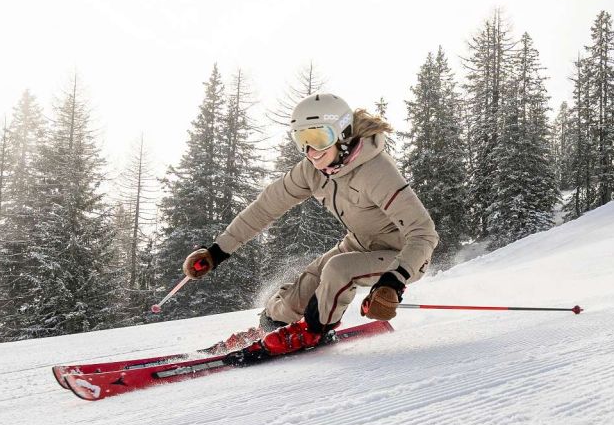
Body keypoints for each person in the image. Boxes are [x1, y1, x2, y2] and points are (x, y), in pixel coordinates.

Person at [180, 93, 439, 355]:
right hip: (360, 243)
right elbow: (265, 207)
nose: (311, 151)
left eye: (318, 138)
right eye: (302, 139)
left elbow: (424, 233)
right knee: (293, 299)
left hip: (403, 254)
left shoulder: (376, 170)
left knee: (338, 269)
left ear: (343, 134)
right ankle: (270, 327)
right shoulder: (311, 170)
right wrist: (217, 251)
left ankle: (313, 331)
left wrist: (393, 281)